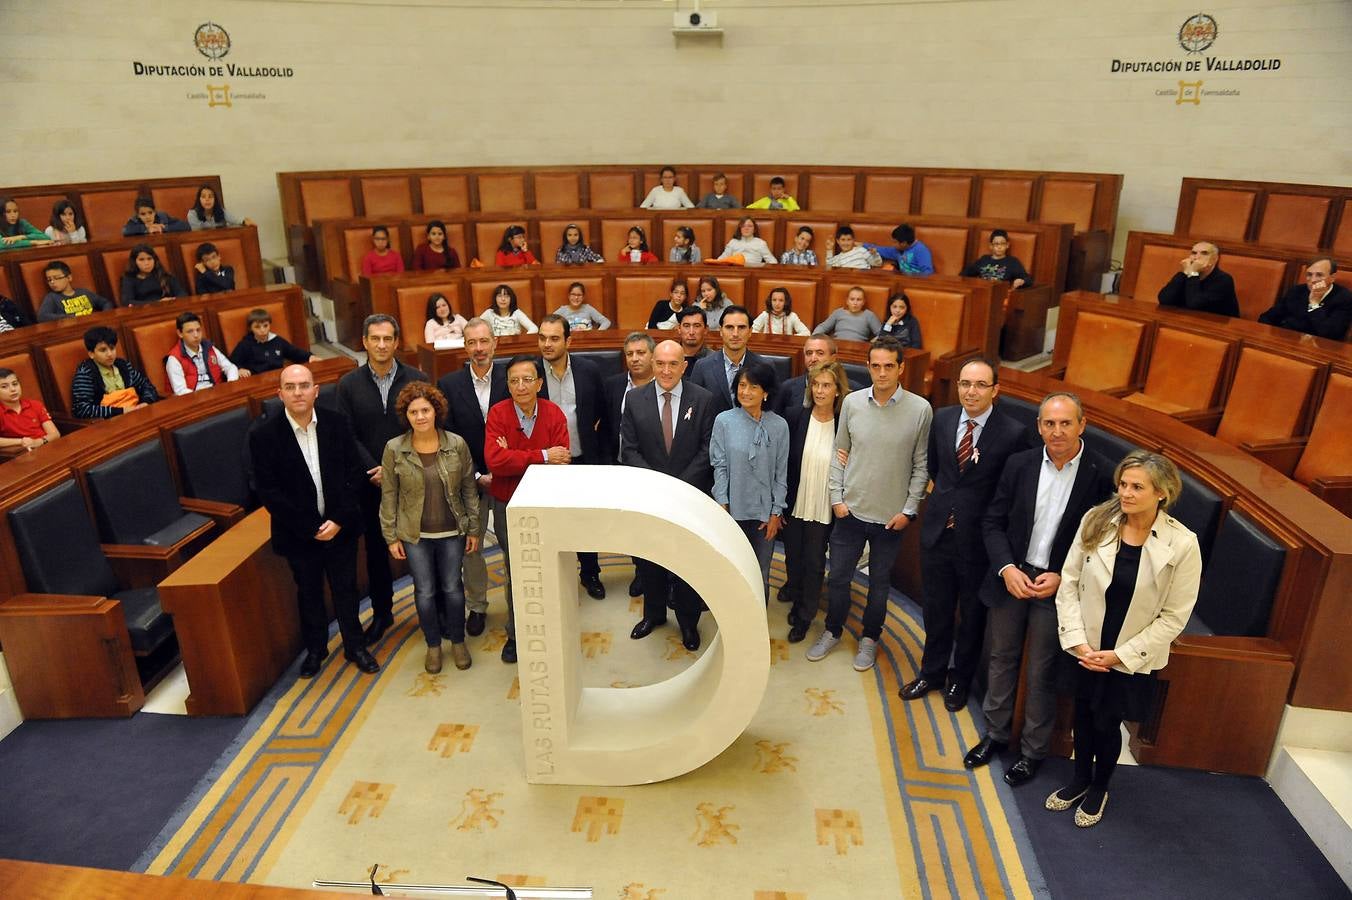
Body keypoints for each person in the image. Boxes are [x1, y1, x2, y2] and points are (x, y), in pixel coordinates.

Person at [964, 392, 1113, 788]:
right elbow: (992, 521)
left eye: (1066, 423)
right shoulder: (1020, 464)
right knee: (1001, 658)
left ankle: (1032, 752)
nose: (1057, 431)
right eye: (1049, 423)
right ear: (1039, 427)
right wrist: (1006, 568)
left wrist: (1065, 577)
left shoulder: (1100, 474)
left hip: (1059, 587)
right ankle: (994, 735)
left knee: (1043, 671)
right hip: (1014, 578)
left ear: (1082, 425)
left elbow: (1104, 542)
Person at [1048, 450, 1201, 827]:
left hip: (1129, 652)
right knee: (1082, 715)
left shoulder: (1183, 544)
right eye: (1123, 484)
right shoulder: (1097, 520)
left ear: (1162, 493)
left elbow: (1174, 616)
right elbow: (1068, 584)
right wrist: (1078, 642)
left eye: (1137, 487)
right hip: (1086, 644)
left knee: (1106, 721)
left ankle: (1100, 786)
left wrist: (1119, 656)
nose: (1126, 493)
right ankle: (1080, 778)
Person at [898, 359, 1033, 711]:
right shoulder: (942, 418)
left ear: (995, 390)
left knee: (971, 617)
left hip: (979, 542)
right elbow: (938, 469)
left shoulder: (1013, 433)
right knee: (936, 609)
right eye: (965, 384)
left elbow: (1012, 491)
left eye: (980, 385)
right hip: (938, 533)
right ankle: (932, 671)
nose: (971, 391)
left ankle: (960, 679)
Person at [806, 338, 931, 671]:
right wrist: (836, 499)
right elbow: (839, 451)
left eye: (889, 365)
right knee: (838, 579)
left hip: (891, 518)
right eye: (875, 365)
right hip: (850, 510)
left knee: (879, 584)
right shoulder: (852, 403)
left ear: (901, 368)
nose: (881, 372)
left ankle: (869, 639)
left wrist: (908, 510)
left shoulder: (920, 409)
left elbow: (921, 465)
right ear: (867, 366)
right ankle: (833, 630)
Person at [249, 364, 380, 678]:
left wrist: (337, 520)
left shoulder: (337, 424)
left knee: (346, 590)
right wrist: (310, 528)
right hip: (299, 535)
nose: (298, 392)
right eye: (291, 387)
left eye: (304, 385)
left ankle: (355, 646)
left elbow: (354, 476)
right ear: (280, 393)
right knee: (309, 594)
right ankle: (316, 649)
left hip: (341, 529)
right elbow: (268, 490)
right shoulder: (263, 435)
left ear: (316, 390)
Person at [337, 314, 430, 646]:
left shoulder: (417, 378)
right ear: (364, 342)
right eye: (374, 338)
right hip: (370, 483)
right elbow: (347, 434)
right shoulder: (348, 385)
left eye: (387, 338)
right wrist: (375, 469)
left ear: (396, 342)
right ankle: (382, 613)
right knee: (377, 552)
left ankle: (433, 614)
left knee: (423, 547)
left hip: (413, 480)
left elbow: (425, 427)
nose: (381, 344)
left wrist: (397, 470)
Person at [620, 340, 718, 651]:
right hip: (650, 499)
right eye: (660, 363)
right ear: (652, 363)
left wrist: (678, 486)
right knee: (651, 561)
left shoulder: (703, 399)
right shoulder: (634, 399)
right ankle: (654, 615)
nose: (665, 370)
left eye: (672, 364)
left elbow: (707, 450)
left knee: (688, 563)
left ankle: (688, 622)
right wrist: (658, 485)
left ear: (683, 366)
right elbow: (629, 450)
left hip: (690, 498)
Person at [379, 382, 481, 674]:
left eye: (425, 410)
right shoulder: (394, 449)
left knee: (452, 587)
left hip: (451, 531)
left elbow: (468, 489)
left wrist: (473, 529)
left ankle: (458, 641)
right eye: (414, 412)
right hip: (415, 535)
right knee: (424, 591)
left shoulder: (456, 444)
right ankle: (433, 644)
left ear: (436, 411)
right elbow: (389, 494)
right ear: (406, 415)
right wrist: (390, 535)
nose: (420, 416)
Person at [485, 355, 572, 664]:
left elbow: (563, 460)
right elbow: (495, 462)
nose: (520, 386)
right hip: (508, 503)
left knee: (550, 566)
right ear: (507, 385)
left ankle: (552, 629)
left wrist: (517, 455)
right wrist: (543, 456)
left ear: (539, 383)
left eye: (526, 380)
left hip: (547, 503)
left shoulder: (553, 413)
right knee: (516, 570)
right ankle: (515, 634)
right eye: (513, 381)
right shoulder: (498, 413)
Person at [437, 318, 508, 639]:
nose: (478, 349)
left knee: (514, 545)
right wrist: (478, 473)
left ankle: (518, 604)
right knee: (472, 547)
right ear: (464, 346)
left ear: (495, 343)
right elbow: (449, 438)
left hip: (511, 479)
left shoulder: (513, 378)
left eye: (484, 342)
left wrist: (501, 469)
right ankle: (478, 606)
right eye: (472, 343)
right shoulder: (449, 385)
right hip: (470, 481)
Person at [537, 314, 608, 599]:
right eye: (542, 337)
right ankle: (553, 579)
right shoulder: (530, 371)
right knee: (550, 523)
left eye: (554, 338)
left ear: (568, 340)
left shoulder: (589, 370)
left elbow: (602, 412)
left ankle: (590, 573)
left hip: (582, 459)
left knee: (584, 521)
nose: (547, 344)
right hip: (544, 464)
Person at [782, 361, 850, 642]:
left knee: (813, 561)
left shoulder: (845, 424)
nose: (820, 390)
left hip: (824, 504)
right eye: (816, 384)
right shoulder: (796, 416)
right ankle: (797, 597)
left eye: (827, 385)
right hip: (796, 501)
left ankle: (805, 614)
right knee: (793, 557)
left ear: (837, 390)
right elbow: (784, 462)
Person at [711, 360, 790, 601]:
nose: (745, 392)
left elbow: (781, 473)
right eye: (742, 385)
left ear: (766, 392)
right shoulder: (724, 421)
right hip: (732, 512)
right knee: (730, 572)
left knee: (760, 573)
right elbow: (719, 465)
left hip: (764, 516)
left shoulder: (779, 426)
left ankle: (757, 630)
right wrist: (722, 503)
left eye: (753, 386)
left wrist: (776, 512)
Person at [601, 332, 656, 599]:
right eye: (630, 354)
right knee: (633, 527)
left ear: (652, 356)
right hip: (623, 468)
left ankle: (667, 576)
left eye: (641, 353)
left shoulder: (667, 385)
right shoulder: (612, 385)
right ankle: (642, 573)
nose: (635, 359)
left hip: (659, 472)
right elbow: (605, 428)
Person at [70, 326, 160, 419]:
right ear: (91, 354)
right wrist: (121, 411)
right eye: (103, 350)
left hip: (136, 414)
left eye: (112, 348)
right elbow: (81, 409)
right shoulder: (86, 374)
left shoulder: (123, 366)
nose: (109, 354)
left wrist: (145, 402)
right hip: (109, 423)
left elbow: (147, 386)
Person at [690, 305, 766, 414]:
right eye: (729, 327)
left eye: (741, 327)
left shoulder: (764, 367)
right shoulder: (702, 366)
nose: (735, 334)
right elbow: (694, 410)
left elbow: (771, 409)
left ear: (750, 331)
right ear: (721, 331)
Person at [1257, 257, 1352, 340]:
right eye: (1309, 274)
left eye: (1319, 275)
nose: (1313, 280)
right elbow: (1266, 317)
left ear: (1332, 277)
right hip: (1287, 341)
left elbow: (1330, 334)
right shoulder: (1296, 291)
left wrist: (1314, 304)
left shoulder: (1343, 298)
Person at [166, 311, 242, 395]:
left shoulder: (209, 347)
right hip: (194, 400)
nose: (196, 335)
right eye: (190, 331)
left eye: (198, 330)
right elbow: (180, 391)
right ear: (180, 333)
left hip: (218, 394)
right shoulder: (174, 359)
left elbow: (230, 367)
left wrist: (230, 386)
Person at [1157, 241, 1238, 317]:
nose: (1197, 257)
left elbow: (1195, 304)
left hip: (1217, 326)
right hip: (1188, 320)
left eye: (1204, 253)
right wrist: (1185, 272)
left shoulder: (1224, 280)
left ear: (1215, 259)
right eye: (1194, 253)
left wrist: (1192, 273)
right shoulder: (1185, 275)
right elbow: (1164, 300)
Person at [229, 308, 315, 375]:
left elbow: (294, 352)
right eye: (257, 327)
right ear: (250, 328)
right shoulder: (245, 344)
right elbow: (232, 363)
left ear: (270, 325)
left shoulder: (277, 340)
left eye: (265, 326)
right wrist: (239, 369)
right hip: (257, 380)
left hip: (279, 376)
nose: (262, 330)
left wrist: (309, 357)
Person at [0, 368, 60, 453]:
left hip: (48, 447)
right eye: (4, 387)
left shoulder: (35, 405)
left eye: (15, 384)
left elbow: (55, 434)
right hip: (23, 454)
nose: (13, 389)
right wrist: (21, 441)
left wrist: (38, 442)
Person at [37, 261, 114, 321]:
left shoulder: (83, 292)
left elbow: (105, 303)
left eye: (57, 278)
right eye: (49, 280)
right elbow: (42, 316)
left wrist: (104, 315)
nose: (52, 282)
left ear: (69, 278)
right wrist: (71, 318)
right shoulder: (52, 297)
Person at [962, 229, 1031, 290]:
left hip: (1000, 295)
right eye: (996, 244)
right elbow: (964, 275)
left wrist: (1022, 281)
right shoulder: (984, 259)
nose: (999, 247)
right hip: (982, 292)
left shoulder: (1013, 262)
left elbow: (1028, 280)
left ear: (1007, 245)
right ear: (991, 246)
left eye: (1002, 244)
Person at [119, 244, 183, 306]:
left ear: (154, 260)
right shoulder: (129, 279)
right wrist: (157, 303)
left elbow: (182, 293)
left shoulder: (163, 274)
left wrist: (173, 300)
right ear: (134, 262)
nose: (147, 263)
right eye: (141, 260)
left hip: (168, 308)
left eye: (149, 259)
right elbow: (127, 302)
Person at [813, 286, 882, 341]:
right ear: (847, 301)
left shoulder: (869, 315)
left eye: (859, 300)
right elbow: (823, 327)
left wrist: (873, 342)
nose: (855, 303)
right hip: (837, 346)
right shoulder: (838, 312)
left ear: (863, 302)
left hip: (859, 348)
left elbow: (882, 334)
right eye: (852, 299)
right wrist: (813, 338)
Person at [865, 224, 934, 276]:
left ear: (904, 243)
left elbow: (928, 273)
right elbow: (882, 250)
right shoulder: (897, 250)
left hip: (916, 282)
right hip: (901, 280)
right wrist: (863, 245)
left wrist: (910, 275)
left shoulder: (921, 250)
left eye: (895, 242)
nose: (893, 245)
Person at [187, 184, 254, 229]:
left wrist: (244, 221)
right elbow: (200, 231)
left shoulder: (221, 211)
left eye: (210, 196)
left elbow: (236, 220)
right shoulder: (192, 215)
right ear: (199, 200)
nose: (207, 199)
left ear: (215, 200)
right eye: (203, 197)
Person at [122, 196, 189, 236]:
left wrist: (163, 228)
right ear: (138, 215)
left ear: (154, 212)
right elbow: (125, 231)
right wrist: (146, 228)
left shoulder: (162, 216)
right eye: (143, 214)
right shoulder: (134, 220)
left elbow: (185, 225)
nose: (147, 217)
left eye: (150, 213)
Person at [677, 305, 710, 369]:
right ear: (679, 328)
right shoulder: (669, 356)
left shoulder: (715, 360)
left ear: (706, 329)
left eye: (697, 326)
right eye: (686, 326)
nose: (691, 332)